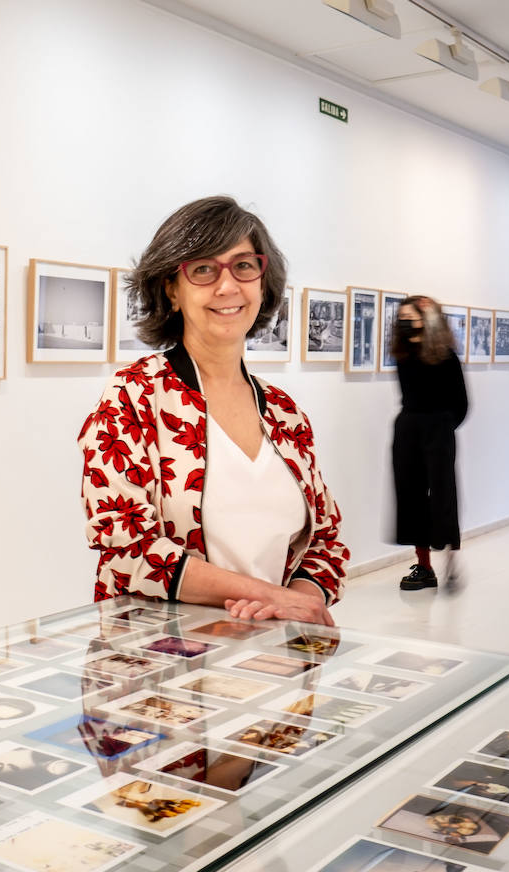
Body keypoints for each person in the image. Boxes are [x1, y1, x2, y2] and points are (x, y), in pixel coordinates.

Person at [78, 196, 348, 624]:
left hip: (275, 658)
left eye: (243, 266)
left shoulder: (284, 412)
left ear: (263, 282)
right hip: (162, 667)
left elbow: (325, 540)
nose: (227, 286)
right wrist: (270, 597)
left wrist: (302, 599)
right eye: (203, 269)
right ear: (172, 289)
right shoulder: (135, 396)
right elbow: (127, 546)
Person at [389, 295, 468, 592]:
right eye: (402, 319)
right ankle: (424, 567)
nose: (405, 323)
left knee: (443, 495)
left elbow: (461, 403)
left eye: (410, 318)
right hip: (408, 429)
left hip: (438, 429)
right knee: (410, 497)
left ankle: (451, 564)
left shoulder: (446, 356)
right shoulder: (402, 355)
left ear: (428, 320)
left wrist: (443, 427)